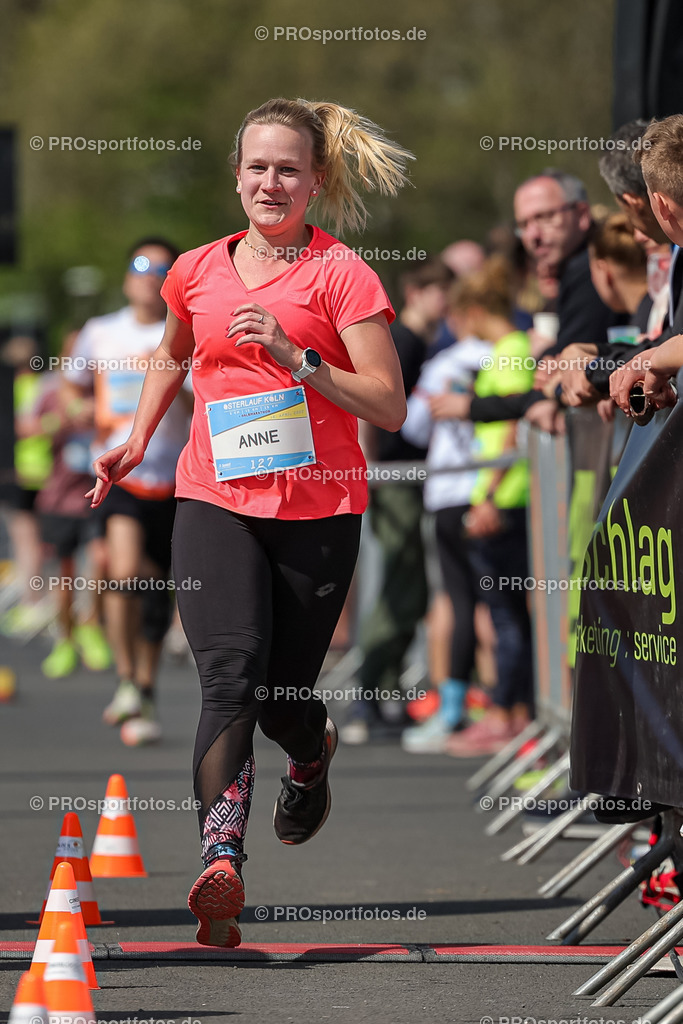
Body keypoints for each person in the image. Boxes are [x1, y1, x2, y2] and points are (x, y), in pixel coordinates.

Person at [87, 97, 411, 948]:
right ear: (236, 177)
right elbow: (172, 354)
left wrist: (300, 361)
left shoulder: (343, 275)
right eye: (257, 167)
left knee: (279, 699)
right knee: (229, 675)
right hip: (213, 498)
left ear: (315, 181)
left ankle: (311, 753)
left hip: (317, 509)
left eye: (288, 169)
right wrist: (133, 442)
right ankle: (220, 859)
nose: (271, 182)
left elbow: (387, 400)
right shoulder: (196, 268)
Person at [65, 237, 191, 745]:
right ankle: (123, 677)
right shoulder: (100, 332)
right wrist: (76, 413)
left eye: (163, 268)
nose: (150, 274)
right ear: (126, 277)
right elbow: (71, 386)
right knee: (123, 571)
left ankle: (144, 685)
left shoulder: (187, 333)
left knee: (156, 589)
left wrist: (166, 372)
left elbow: (208, 392)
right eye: (141, 264)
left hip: (176, 476)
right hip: (118, 472)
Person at [340, 256, 453, 745]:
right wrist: (369, 468)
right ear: (416, 291)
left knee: (411, 588)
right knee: (396, 586)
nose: (446, 302)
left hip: (409, 478)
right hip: (392, 479)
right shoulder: (402, 339)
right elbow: (372, 400)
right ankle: (369, 690)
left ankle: (384, 691)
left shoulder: (424, 341)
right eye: (438, 291)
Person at [427, 258, 536, 757]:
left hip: (505, 496)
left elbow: (512, 424)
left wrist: (489, 495)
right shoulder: (502, 351)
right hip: (495, 491)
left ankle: (509, 714)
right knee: (503, 613)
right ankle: (508, 711)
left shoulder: (512, 349)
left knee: (508, 616)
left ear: (471, 311)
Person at [399, 297, 492, 752]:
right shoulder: (511, 355)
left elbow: (413, 427)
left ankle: (454, 707)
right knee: (499, 602)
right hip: (496, 488)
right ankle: (496, 706)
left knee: (455, 599)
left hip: (451, 493)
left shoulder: (444, 364)